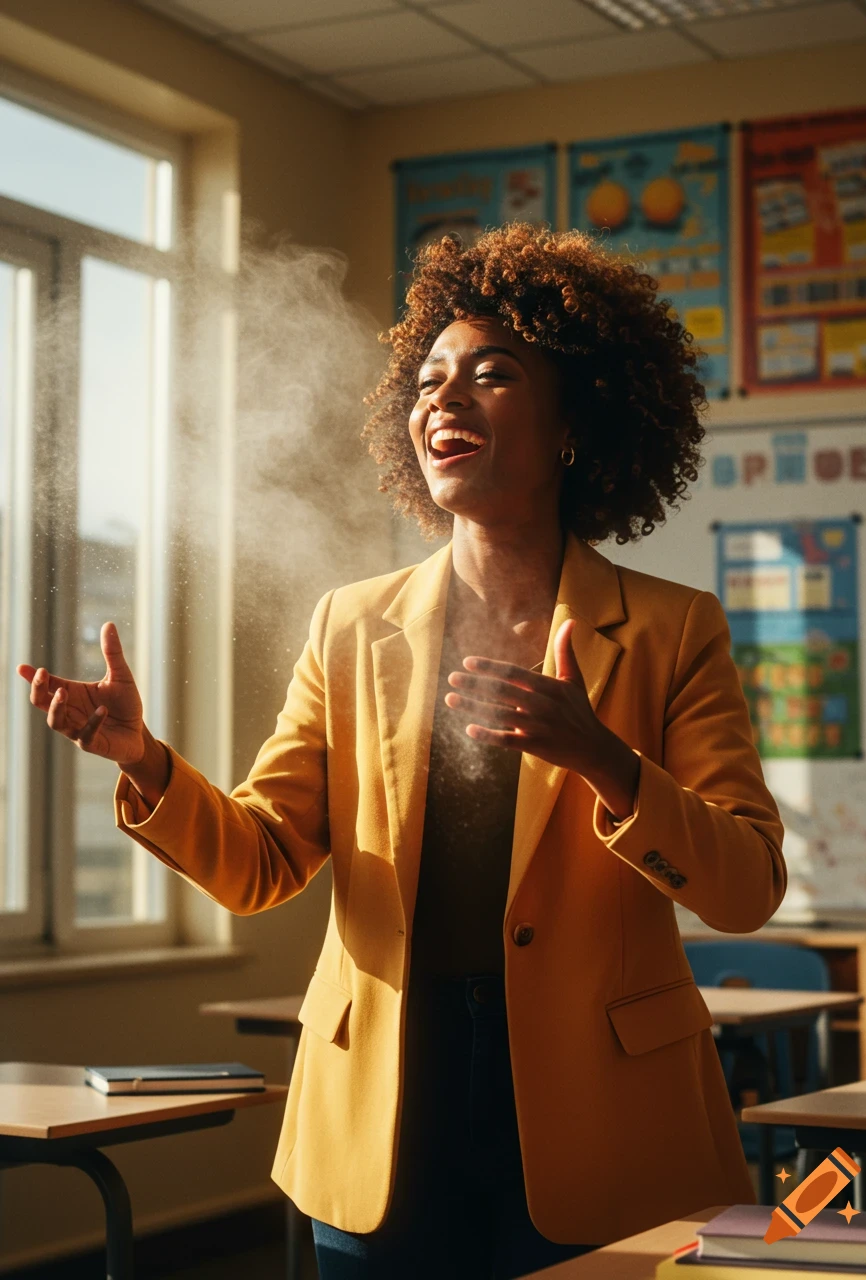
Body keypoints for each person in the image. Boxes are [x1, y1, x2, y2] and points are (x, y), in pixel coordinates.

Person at [18, 223, 787, 1279]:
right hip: (385, 1098)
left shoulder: (670, 628)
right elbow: (259, 862)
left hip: (601, 1108)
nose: (444, 399)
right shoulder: (350, 624)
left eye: (491, 374)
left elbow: (745, 886)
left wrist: (605, 760)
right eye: (428, 380)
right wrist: (146, 763)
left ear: (574, 421)